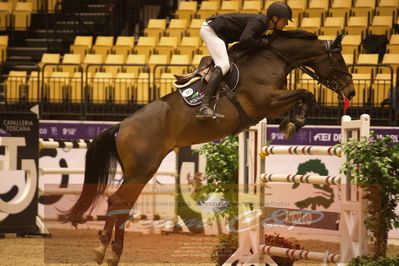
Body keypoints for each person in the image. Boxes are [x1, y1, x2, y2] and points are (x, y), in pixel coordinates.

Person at [195, 1, 293, 120]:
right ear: (275, 18)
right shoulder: (261, 21)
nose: (286, 23)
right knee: (224, 65)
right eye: (284, 20)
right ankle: (204, 106)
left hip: (221, 34)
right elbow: (245, 39)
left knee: (228, 64)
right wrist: (263, 42)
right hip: (211, 30)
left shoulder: (264, 26)